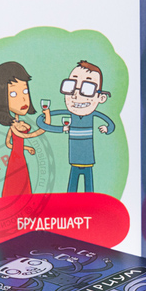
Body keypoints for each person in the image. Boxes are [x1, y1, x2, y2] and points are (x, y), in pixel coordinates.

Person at [36, 61, 114, 193]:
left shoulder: (92, 114)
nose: (76, 95)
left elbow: (110, 123)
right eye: (70, 86)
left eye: (87, 88)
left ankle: (90, 200)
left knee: (89, 186)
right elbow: (41, 121)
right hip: (74, 157)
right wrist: (61, 128)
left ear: (101, 98)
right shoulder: (69, 114)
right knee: (73, 184)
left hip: (88, 157)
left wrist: (107, 129)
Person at [0, 61, 50, 197]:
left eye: (25, 91)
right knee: (16, 177)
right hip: (16, 158)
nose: (23, 99)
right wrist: (46, 122)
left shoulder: (20, 122)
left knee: (22, 178)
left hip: (19, 155)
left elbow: (9, 143)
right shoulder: (13, 126)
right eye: (13, 94)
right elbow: (25, 137)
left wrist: (26, 148)